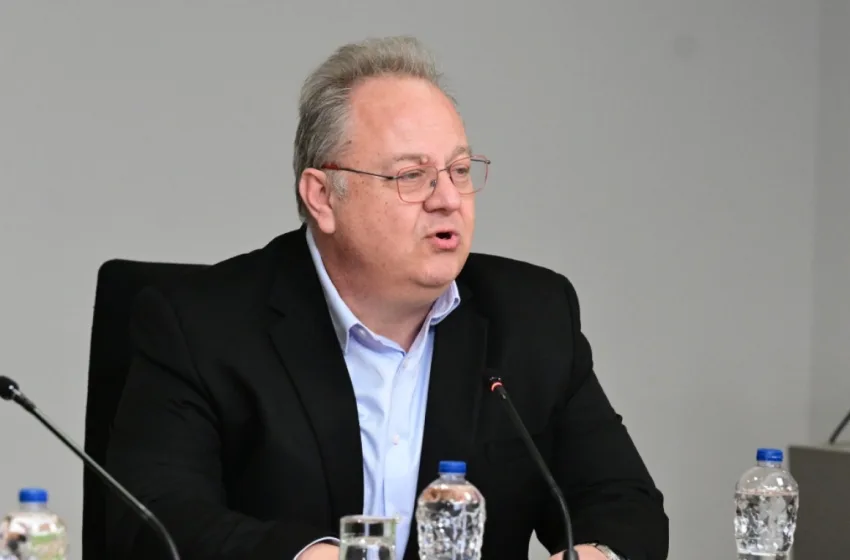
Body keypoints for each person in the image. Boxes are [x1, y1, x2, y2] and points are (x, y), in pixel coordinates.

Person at [105, 36, 668, 560]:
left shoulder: (532, 317)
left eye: (459, 170)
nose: (448, 199)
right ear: (323, 197)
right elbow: (154, 519)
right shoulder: (200, 325)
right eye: (411, 176)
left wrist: (595, 555)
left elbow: (623, 502)